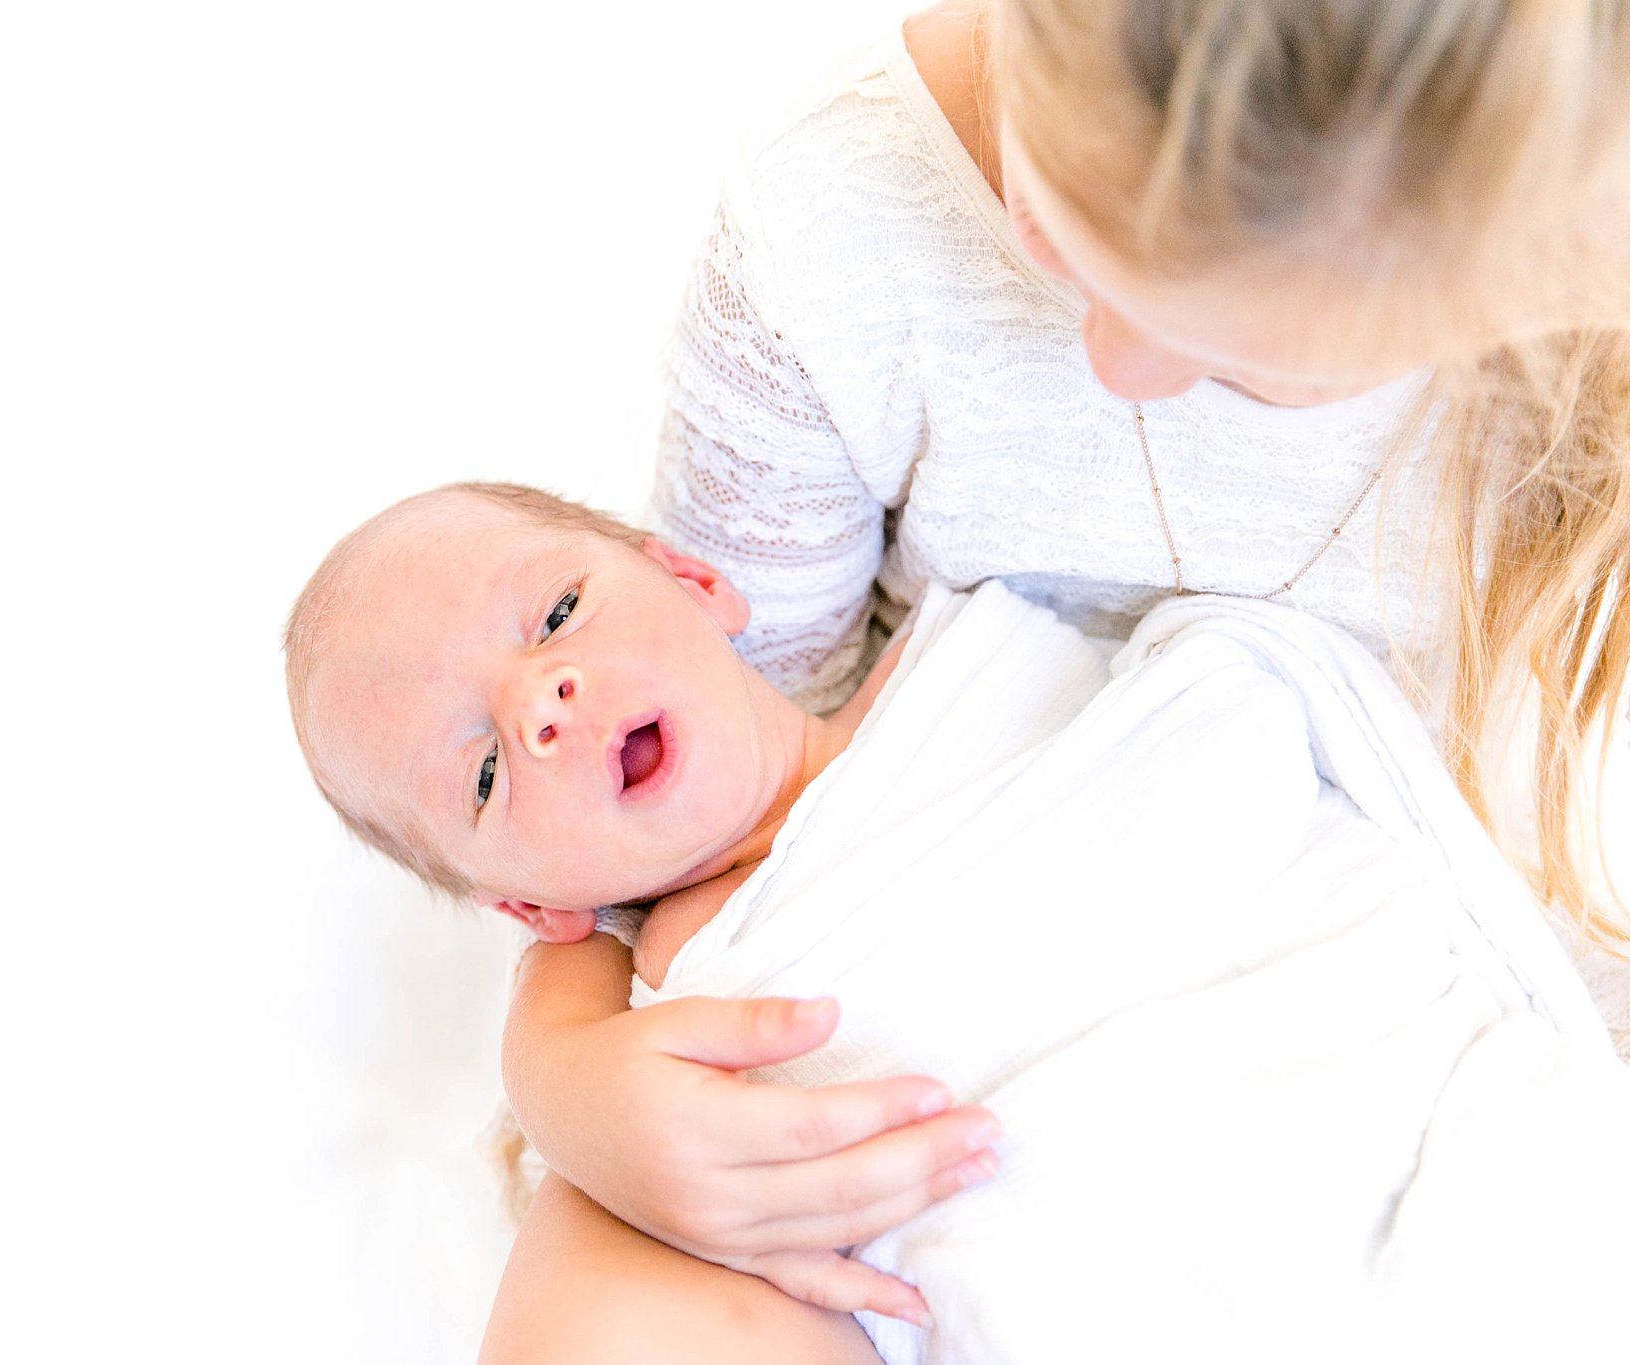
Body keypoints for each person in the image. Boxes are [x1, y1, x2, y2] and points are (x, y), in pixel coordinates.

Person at [488, 3, 1630, 1362]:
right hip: (968, 1012)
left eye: (1241, 345)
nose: (1115, 365)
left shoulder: (1577, 272)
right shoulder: (837, 225)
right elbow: (697, 773)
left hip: (1424, 1032)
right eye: (1057, 226)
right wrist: (564, 1078)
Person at [288, 481, 1630, 1365]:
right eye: (483, 771)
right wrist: (560, 1027)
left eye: (556, 611)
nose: (544, 701)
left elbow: (1227, 749)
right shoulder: (671, 1026)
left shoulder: (984, 637)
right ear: (531, 901)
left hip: (1432, 1135)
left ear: (695, 579)